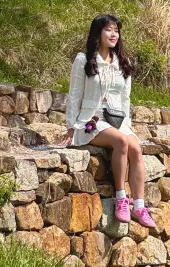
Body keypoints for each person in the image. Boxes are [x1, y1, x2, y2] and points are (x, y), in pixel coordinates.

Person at [61, 14, 156, 229]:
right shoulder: (84, 59)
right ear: (98, 33)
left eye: (116, 30)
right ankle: (121, 198)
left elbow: (126, 99)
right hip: (91, 121)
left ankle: (139, 206)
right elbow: (75, 94)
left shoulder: (123, 63)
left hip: (118, 119)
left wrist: (128, 125)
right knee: (121, 142)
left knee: (136, 147)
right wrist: (70, 126)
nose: (113, 34)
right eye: (108, 30)